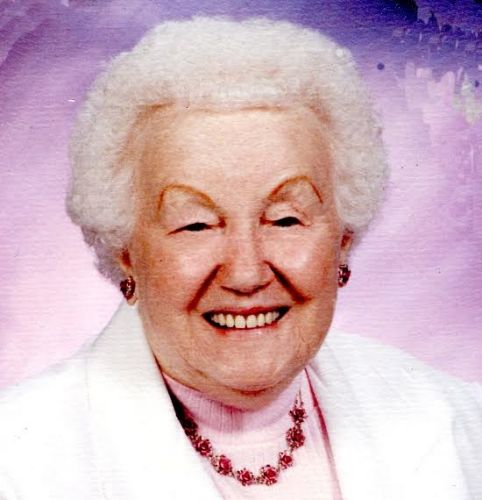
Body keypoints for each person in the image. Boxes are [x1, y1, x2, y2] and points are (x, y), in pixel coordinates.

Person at [0, 16, 481, 500]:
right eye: (196, 225)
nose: (247, 273)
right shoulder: (18, 462)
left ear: (342, 240)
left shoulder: (460, 421)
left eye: (285, 219)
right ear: (125, 253)